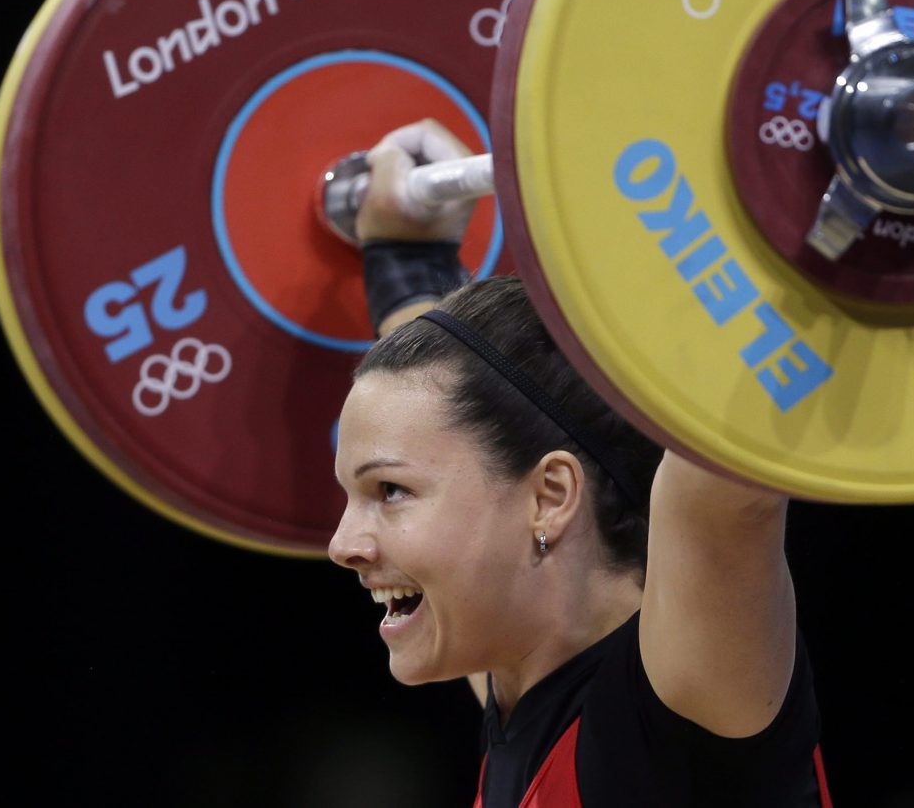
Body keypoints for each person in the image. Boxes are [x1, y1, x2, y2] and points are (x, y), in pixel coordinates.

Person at [327, 119, 834, 807]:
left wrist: (838, 203)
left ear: (551, 495)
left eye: (389, 491)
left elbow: (726, 483)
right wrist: (404, 266)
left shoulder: (683, 701)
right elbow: (457, 404)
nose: (342, 545)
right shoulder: (523, 672)